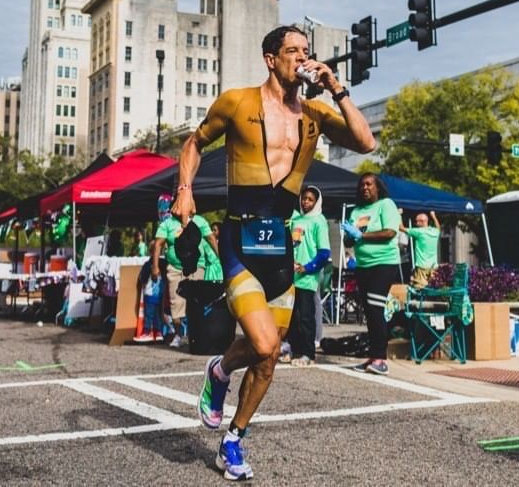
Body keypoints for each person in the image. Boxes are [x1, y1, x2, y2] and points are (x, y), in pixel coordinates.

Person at [175, 25, 374, 481]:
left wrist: (337, 87)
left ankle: (233, 439)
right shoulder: (237, 101)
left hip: (280, 244)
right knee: (264, 342)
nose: (302, 58)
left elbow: (366, 142)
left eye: (307, 51)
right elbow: (194, 143)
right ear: (271, 58)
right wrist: (185, 190)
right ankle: (220, 370)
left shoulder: (316, 114)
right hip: (239, 238)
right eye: (292, 51)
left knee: (268, 357)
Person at [342, 173, 402, 376]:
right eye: (362, 185)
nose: (365, 187)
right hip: (363, 265)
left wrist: (361, 235)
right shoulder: (356, 211)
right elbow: (349, 242)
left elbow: (390, 232)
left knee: (376, 309)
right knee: (369, 311)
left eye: (369, 184)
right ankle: (372, 356)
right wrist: (349, 236)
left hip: (384, 264)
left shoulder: (386, 205)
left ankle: (381, 359)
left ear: (377, 187)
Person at [152, 193, 218, 347]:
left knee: (198, 302)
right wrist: (155, 267)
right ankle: (178, 334)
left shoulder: (200, 221)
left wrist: (219, 259)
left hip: (197, 268)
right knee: (176, 304)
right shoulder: (167, 224)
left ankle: (198, 334)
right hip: (175, 269)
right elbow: (158, 244)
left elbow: (211, 239)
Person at [289, 185, 330, 367]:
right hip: (292, 277)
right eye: (304, 198)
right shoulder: (295, 219)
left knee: (305, 317)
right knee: (293, 317)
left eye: (310, 199)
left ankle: (308, 354)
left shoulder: (319, 221)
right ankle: (295, 350)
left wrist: (307, 268)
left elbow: (324, 253)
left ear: (317, 202)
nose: (306, 202)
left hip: (307, 277)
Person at [399, 210, 441, 288]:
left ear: (421, 222)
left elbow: (401, 228)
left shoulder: (418, 232)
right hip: (433, 267)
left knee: (420, 289)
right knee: (433, 289)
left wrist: (399, 214)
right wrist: (433, 216)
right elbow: (438, 228)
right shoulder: (435, 232)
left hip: (422, 267)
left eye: (416, 221)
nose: (416, 223)